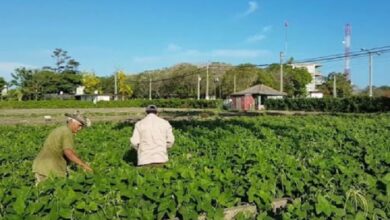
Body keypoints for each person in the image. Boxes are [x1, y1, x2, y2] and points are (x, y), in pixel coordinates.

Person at [32, 112, 93, 184]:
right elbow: (68, 152)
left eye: (82, 127)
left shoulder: (61, 129)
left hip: (42, 167)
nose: (80, 129)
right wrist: (84, 166)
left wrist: (74, 164)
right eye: (79, 125)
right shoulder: (67, 132)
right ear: (71, 122)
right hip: (50, 170)